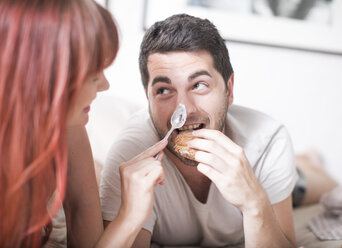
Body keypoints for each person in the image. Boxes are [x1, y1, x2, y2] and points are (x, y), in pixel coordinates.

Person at [100, 14, 298, 247]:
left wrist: (255, 204)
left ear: (229, 89)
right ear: (148, 98)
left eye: (199, 85)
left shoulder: (268, 142)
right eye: (164, 90)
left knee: (307, 185)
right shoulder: (130, 157)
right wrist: (129, 218)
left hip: (279, 177)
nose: (183, 109)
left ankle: (306, 165)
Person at [0, 0, 166, 247]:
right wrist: (129, 217)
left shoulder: (69, 126)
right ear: (46, 74)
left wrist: (130, 216)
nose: (105, 86)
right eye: (95, 73)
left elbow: (85, 233)